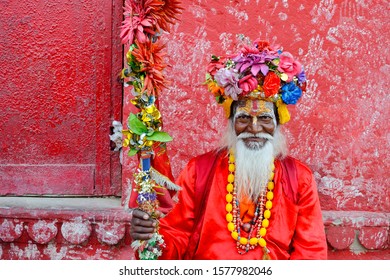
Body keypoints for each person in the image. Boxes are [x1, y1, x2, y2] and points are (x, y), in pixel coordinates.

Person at [130, 38, 328, 260]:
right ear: (231, 123)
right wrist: (152, 239)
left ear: (278, 124)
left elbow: (311, 253)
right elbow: (176, 235)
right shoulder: (199, 171)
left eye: (264, 118)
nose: (254, 128)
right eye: (243, 118)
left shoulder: (299, 178)